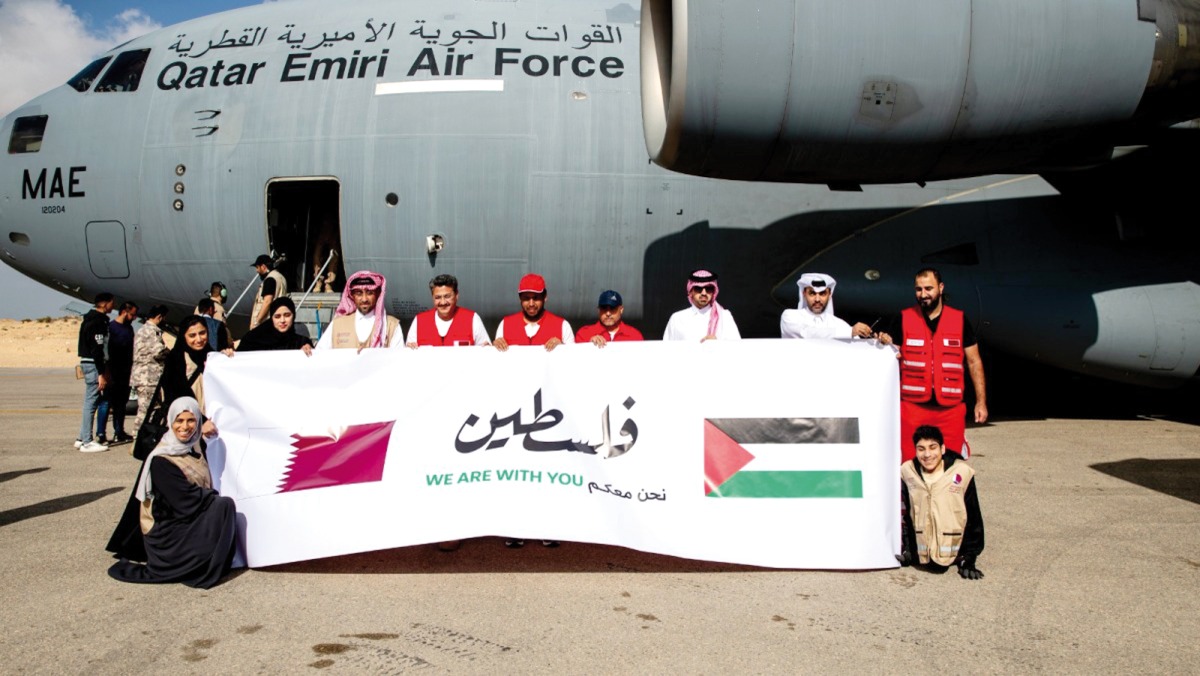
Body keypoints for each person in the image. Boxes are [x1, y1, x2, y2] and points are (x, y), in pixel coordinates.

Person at [106, 396, 237, 589]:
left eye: (191, 420)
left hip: (183, 522)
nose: (185, 427)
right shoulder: (162, 459)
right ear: (170, 422)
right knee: (222, 506)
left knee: (221, 506)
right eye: (179, 420)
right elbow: (185, 502)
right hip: (167, 537)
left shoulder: (193, 448)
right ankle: (198, 564)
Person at [878, 268, 987, 462]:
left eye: (928, 288)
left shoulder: (960, 320)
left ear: (941, 288)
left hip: (950, 410)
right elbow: (888, 361)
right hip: (912, 409)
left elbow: (974, 361)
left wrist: (981, 402)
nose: (923, 294)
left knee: (951, 465)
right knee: (910, 465)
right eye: (918, 289)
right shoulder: (902, 319)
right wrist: (883, 342)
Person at [898, 425, 985, 580]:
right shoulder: (907, 471)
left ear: (942, 449)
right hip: (921, 558)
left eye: (933, 448)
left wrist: (969, 559)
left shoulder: (962, 472)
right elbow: (905, 514)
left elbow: (973, 516)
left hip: (953, 555)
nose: (927, 454)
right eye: (921, 449)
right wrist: (908, 551)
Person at [315, 271, 404, 350]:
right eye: (359, 293)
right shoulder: (337, 324)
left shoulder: (391, 326)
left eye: (370, 293)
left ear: (377, 295)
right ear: (352, 296)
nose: (364, 299)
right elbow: (319, 355)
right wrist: (306, 352)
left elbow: (397, 362)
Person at [160, 316, 232, 413]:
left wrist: (225, 358)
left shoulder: (211, 356)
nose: (199, 339)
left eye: (202, 333)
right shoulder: (175, 359)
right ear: (183, 336)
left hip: (211, 420)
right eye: (192, 335)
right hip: (187, 421)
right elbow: (175, 395)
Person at [493, 273, 573, 352]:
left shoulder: (562, 326)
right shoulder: (505, 324)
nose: (531, 304)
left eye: (536, 298)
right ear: (520, 299)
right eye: (526, 298)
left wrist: (562, 348)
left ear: (545, 297)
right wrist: (494, 347)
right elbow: (496, 361)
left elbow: (571, 360)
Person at [780, 273, 874, 340]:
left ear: (829, 295)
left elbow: (860, 347)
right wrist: (850, 332)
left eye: (822, 293)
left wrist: (878, 342)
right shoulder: (790, 316)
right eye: (812, 293)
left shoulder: (839, 324)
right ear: (804, 294)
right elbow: (807, 333)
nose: (817, 299)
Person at [406, 274, 490, 347]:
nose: (443, 302)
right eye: (438, 297)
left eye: (447, 296)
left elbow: (485, 353)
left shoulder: (472, 319)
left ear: (456, 295)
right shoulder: (419, 321)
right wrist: (410, 349)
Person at [76, 293, 114, 453]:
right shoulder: (98, 322)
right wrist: (101, 373)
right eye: (112, 303)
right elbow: (97, 349)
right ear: (105, 304)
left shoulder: (89, 319)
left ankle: (81, 438)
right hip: (93, 364)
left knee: (90, 401)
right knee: (91, 403)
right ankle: (87, 442)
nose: (113, 306)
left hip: (89, 362)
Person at [96, 301, 138, 445]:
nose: (134, 317)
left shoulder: (129, 329)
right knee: (106, 403)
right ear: (124, 312)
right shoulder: (111, 328)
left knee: (121, 404)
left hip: (125, 372)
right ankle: (101, 433)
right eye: (132, 314)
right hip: (111, 372)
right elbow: (105, 352)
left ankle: (119, 432)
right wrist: (105, 372)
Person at [663, 269, 741, 342]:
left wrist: (717, 344)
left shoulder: (725, 316)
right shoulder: (677, 318)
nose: (704, 293)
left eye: (708, 289)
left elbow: (737, 348)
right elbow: (666, 350)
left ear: (714, 291)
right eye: (698, 289)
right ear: (690, 291)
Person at [131, 305, 170, 425]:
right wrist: (172, 353)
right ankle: (138, 438)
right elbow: (159, 352)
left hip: (148, 377)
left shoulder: (145, 329)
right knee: (146, 410)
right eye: (164, 318)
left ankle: (145, 437)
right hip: (147, 377)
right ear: (159, 317)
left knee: (152, 409)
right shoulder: (150, 331)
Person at [237, 297, 315, 355]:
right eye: (277, 316)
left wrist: (309, 351)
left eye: (287, 315)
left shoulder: (302, 342)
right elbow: (237, 361)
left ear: (294, 316)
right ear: (272, 319)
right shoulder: (253, 341)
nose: (282, 320)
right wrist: (227, 354)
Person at [575, 290, 644, 346]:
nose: (608, 313)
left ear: (621, 310)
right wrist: (588, 346)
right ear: (598, 310)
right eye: (604, 308)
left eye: (612, 308)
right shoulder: (584, 334)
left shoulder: (634, 335)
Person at [250, 254, 288, 330]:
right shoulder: (280, 277)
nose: (257, 270)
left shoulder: (270, 279)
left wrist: (257, 322)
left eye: (257, 267)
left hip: (266, 322)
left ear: (263, 267)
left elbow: (267, 301)